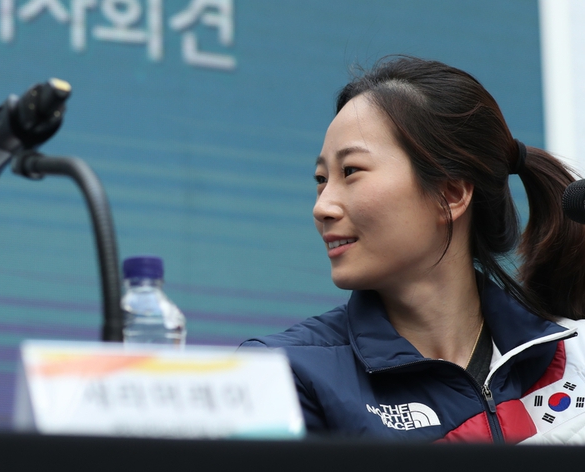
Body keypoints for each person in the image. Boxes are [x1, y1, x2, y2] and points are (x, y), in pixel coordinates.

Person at [243, 56, 585, 443]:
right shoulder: (282, 373)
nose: (322, 207)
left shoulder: (572, 355)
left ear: (451, 194)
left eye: (350, 171)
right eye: (321, 180)